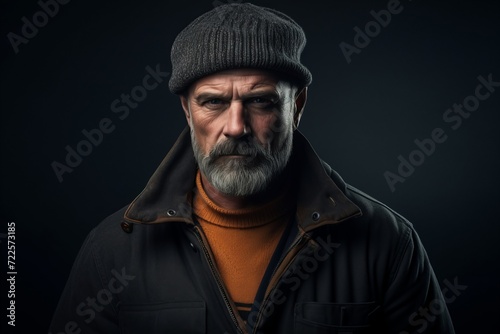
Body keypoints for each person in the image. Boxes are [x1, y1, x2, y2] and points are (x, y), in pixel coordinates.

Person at [50, 3, 455, 333]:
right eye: (213, 102)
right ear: (186, 111)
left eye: (260, 101)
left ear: (296, 107)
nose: (236, 127)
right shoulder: (113, 250)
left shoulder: (386, 242)